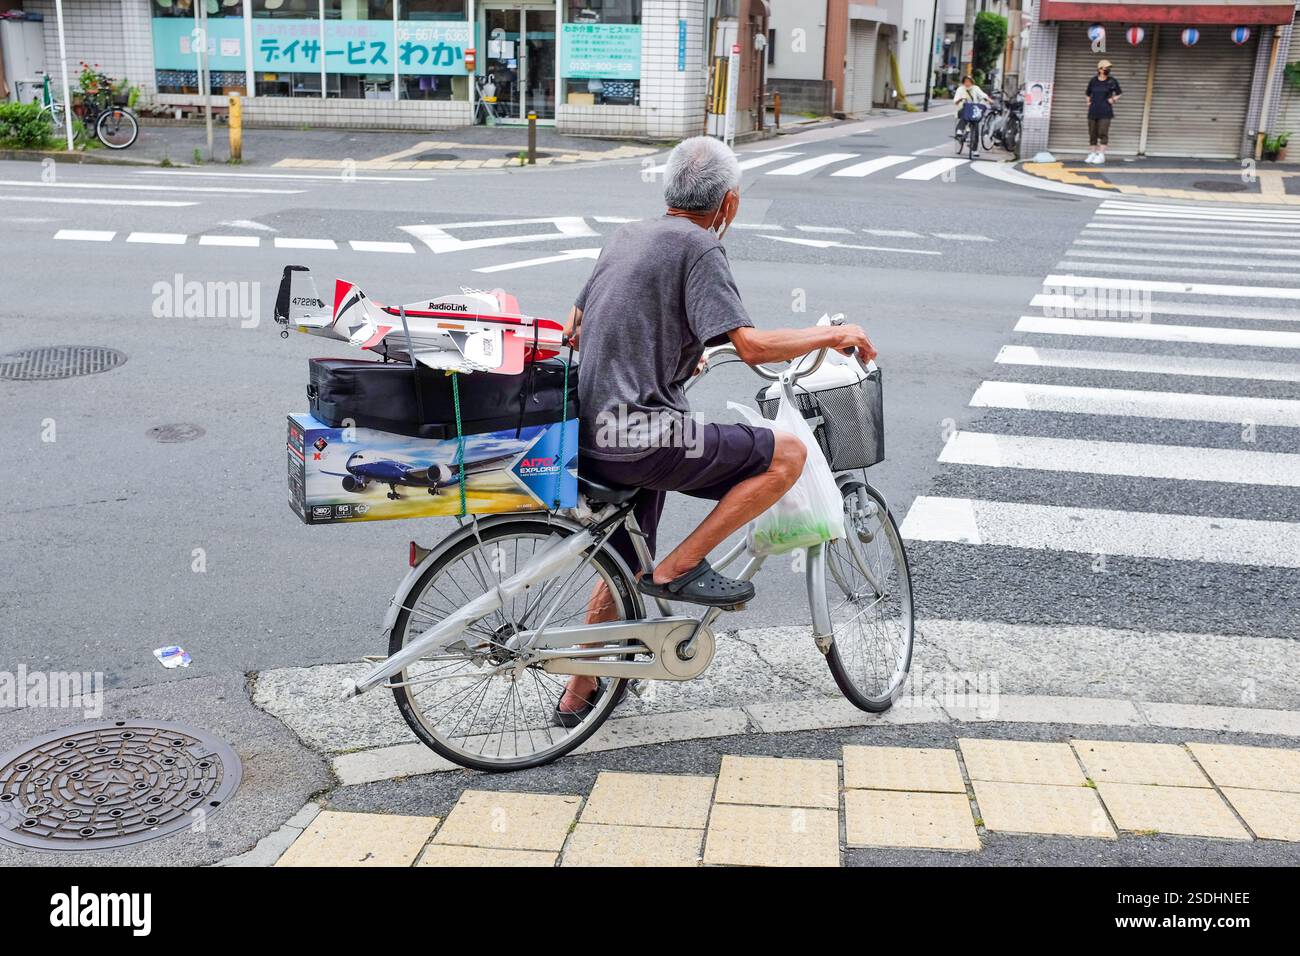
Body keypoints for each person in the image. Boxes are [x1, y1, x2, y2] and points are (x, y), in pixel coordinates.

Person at [553, 135, 877, 725]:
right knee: (787, 455)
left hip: (593, 436)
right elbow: (751, 346)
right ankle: (679, 568)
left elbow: (576, 326)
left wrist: (677, 350)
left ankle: (577, 696)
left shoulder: (626, 236)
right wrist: (832, 335)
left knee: (620, 561)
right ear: (728, 204)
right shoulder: (699, 247)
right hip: (643, 435)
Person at [1085, 60, 1121, 164]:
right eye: (1105, 68)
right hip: (1093, 111)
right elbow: (1087, 93)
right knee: (1092, 134)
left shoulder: (1112, 81)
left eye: (1108, 68)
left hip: (1105, 111)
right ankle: (1092, 154)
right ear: (1100, 69)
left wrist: (1113, 99)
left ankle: (1101, 155)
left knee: (1102, 132)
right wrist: (1088, 102)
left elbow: (1119, 93)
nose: (1107, 70)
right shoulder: (1093, 81)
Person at [952, 75, 990, 144]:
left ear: (972, 82)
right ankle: (960, 129)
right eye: (966, 81)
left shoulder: (975, 88)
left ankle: (975, 149)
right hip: (962, 110)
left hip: (973, 110)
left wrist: (989, 100)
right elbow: (955, 101)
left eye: (969, 81)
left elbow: (983, 95)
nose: (967, 83)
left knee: (976, 125)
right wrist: (960, 99)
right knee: (964, 114)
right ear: (963, 82)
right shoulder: (960, 89)